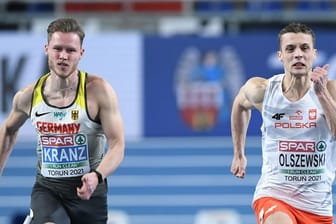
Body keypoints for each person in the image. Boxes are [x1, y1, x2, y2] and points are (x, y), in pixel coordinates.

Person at [0, 17, 125, 224]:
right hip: (48, 189)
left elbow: (118, 145)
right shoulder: (28, 96)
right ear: (46, 49)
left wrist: (97, 175)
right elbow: (8, 130)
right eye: (57, 49)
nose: (63, 56)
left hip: (89, 193)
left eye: (70, 50)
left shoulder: (98, 91)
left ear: (81, 53)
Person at [230, 22, 336, 224]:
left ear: (314, 54)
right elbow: (239, 105)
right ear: (280, 55)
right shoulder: (263, 90)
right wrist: (239, 154)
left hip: (317, 206)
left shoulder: (330, 90)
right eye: (290, 49)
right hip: (274, 194)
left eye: (304, 48)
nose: (298, 54)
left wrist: (322, 96)